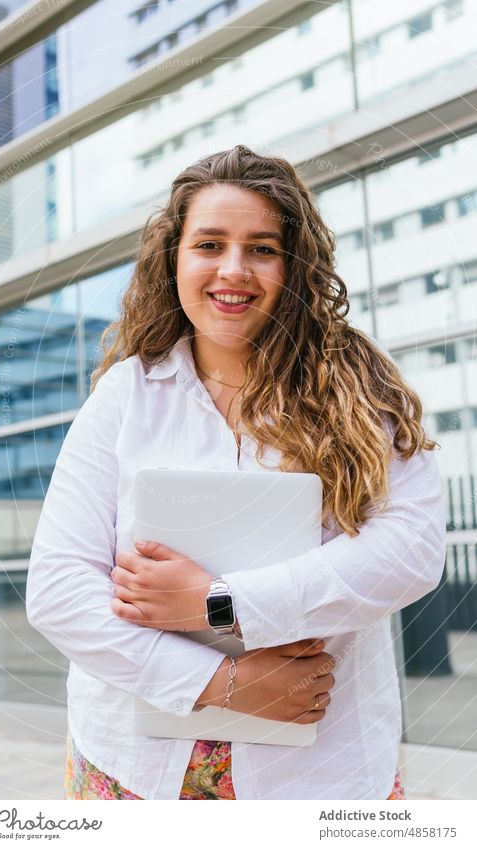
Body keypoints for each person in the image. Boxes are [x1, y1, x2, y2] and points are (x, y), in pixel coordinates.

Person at [26, 144, 446, 801]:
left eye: (260, 248)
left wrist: (220, 603)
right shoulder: (124, 396)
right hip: (131, 769)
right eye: (209, 244)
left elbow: (411, 547)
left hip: (318, 780)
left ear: (294, 264)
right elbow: (57, 586)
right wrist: (221, 683)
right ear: (174, 259)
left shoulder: (359, 386)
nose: (233, 269)